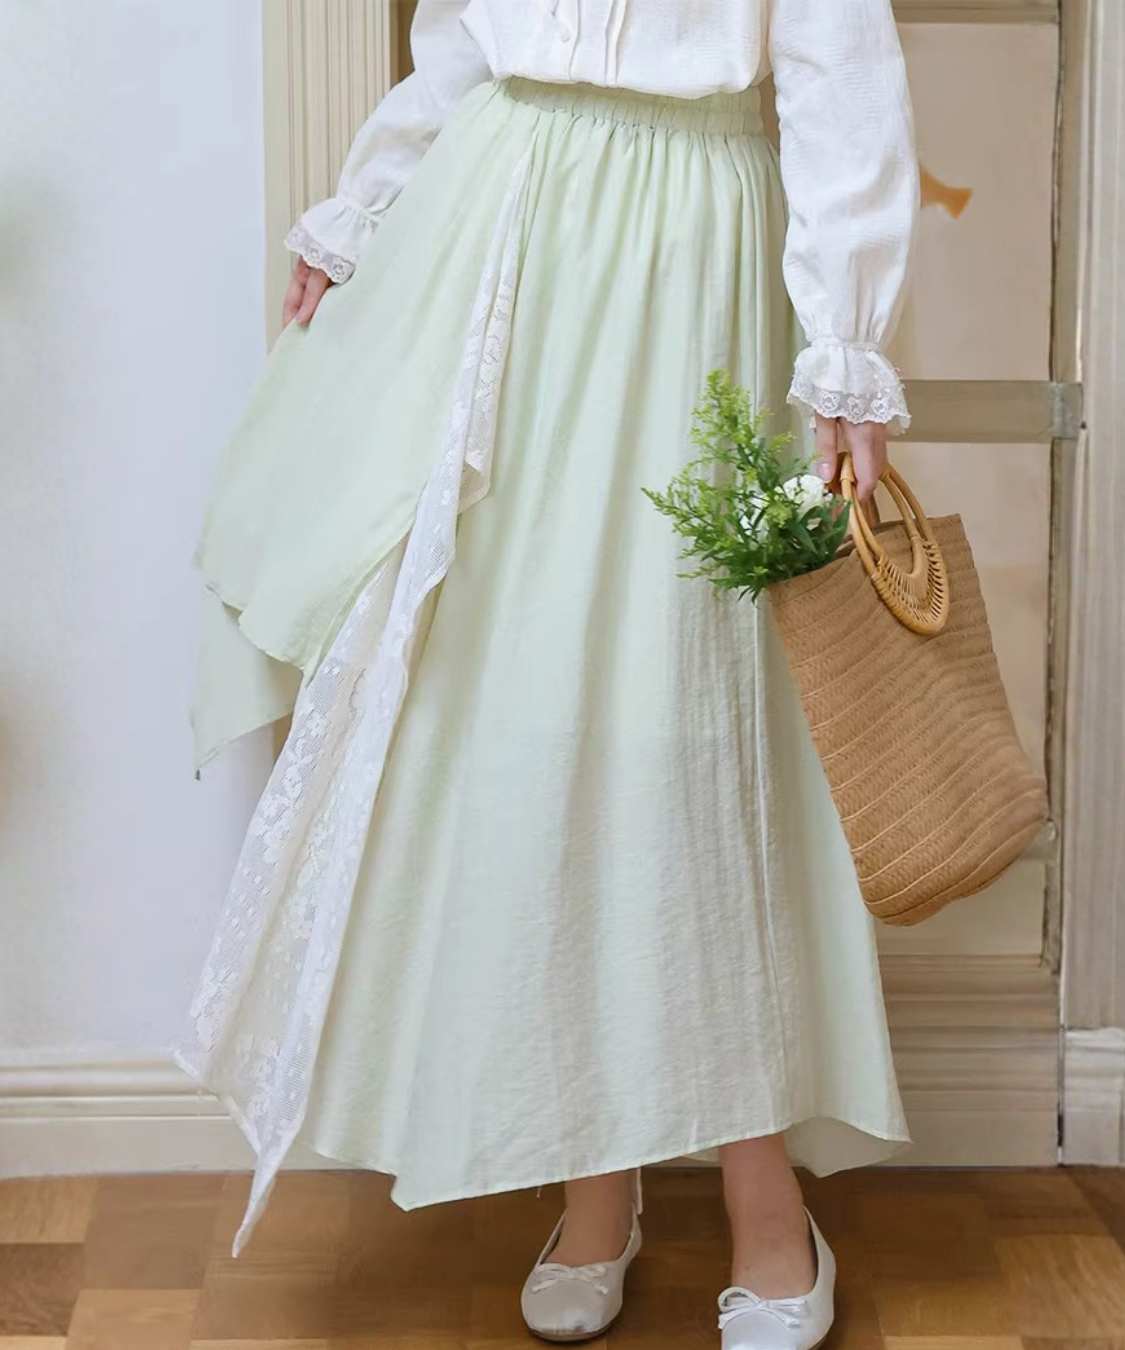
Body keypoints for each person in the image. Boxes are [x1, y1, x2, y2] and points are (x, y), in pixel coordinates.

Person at [174, 1, 920, 1344]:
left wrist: (846, 345)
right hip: (500, 228)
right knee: (522, 717)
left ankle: (764, 1198)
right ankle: (593, 1180)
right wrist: (366, 208)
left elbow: (837, 64)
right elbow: (464, 37)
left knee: (693, 726)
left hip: (691, 248)